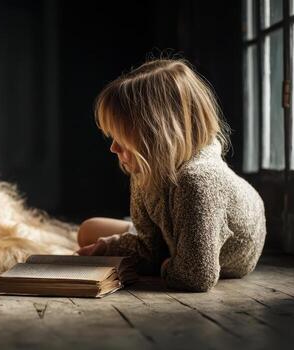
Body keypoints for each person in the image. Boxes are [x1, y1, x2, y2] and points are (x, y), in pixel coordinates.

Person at [77, 58, 266, 292]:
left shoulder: (198, 182)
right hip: (175, 235)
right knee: (87, 230)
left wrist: (165, 265)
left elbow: (195, 276)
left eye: (121, 138)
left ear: (156, 134)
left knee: (103, 241)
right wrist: (99, 251)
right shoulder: (146, 167)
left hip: (203, 248)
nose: (113, 148)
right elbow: (148, 248)